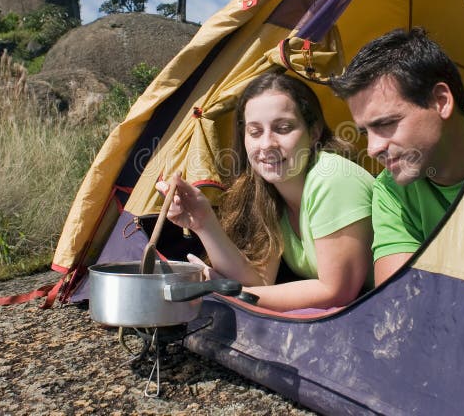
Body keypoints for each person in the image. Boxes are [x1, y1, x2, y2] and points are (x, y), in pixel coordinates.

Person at [156, 71, 374, 312]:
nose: (267, 143)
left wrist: (225, 290)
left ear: (313, 133)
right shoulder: (271, 192)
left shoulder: (332, 178)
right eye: (255, 132)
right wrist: (204, 223)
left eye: (283, 128)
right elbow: (258, 283)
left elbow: (336, 292)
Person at [329, 27, 464, 286]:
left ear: (441, 101)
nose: (372, 149)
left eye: (385, 123)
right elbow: (400, 302)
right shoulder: (390, 190)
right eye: (365, 132)